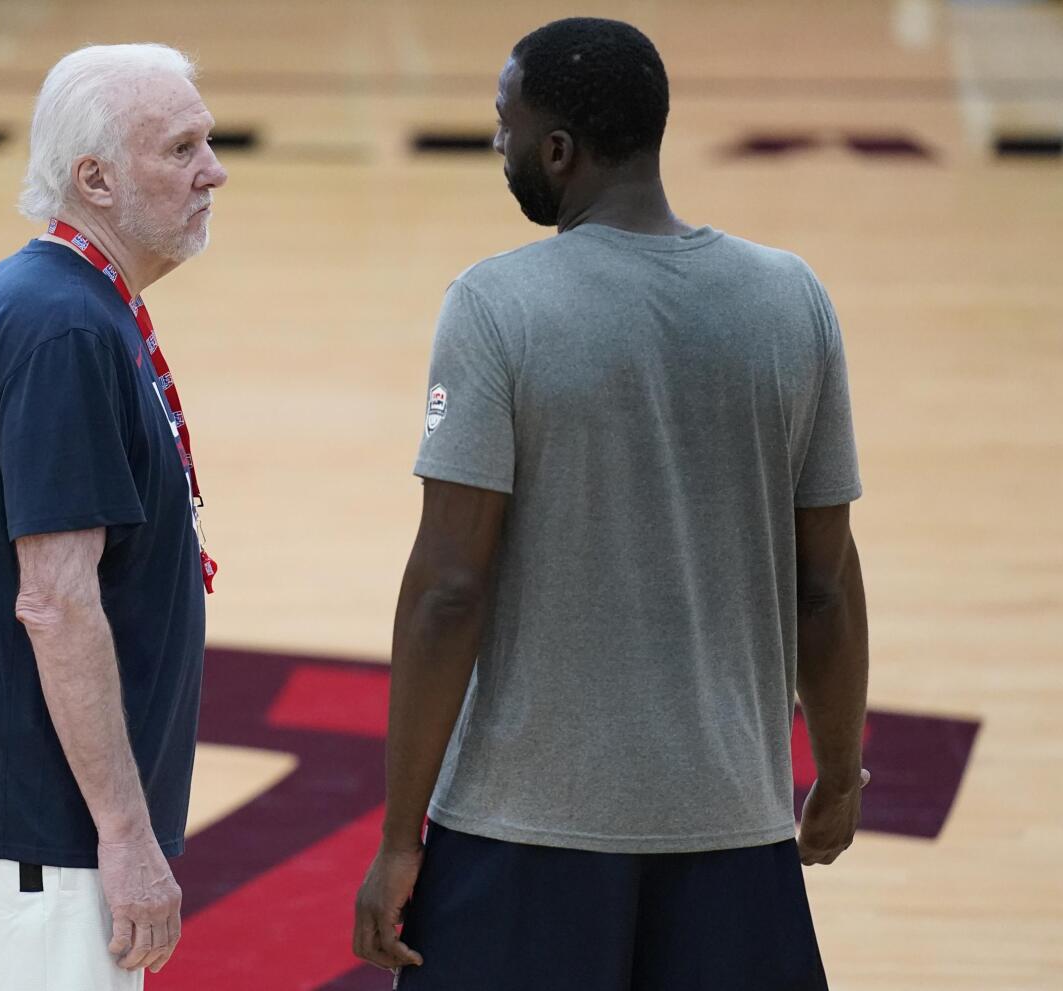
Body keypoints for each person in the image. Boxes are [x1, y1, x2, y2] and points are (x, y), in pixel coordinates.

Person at [353, 17, 869, 991]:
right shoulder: (791, 299)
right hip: (733, 827)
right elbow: (825, 584)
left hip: (519, 830)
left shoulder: (494, 305)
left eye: (506, 129)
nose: (498, 148)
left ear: (559, 150)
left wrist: (394, 835)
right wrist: (837, 775)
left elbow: (448, 591)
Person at [0, 42, 227, 991]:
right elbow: (56, 603)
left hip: (1, 821)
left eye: (207, 143)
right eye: (180, 149)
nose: (212, 171)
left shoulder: (47, 299)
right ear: (94, 178)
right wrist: (128, 838)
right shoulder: (63, 329)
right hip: (31, 846)